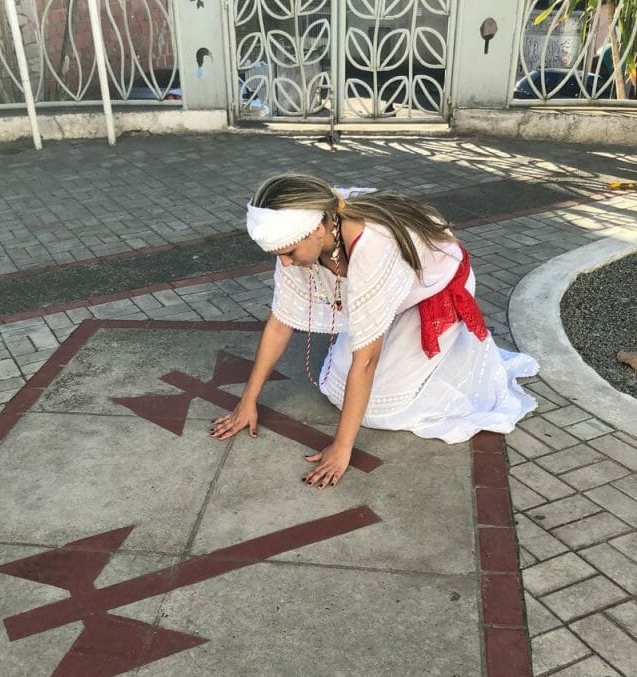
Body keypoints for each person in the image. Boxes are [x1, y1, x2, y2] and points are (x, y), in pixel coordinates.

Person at [209, 174, 538, 488]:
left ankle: (453, 355)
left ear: (319, 231)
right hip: (389, 291)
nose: (285, 264)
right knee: (337, 389)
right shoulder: (304, 232)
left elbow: (366, 360)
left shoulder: (372, 245)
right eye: (278, 255)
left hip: (431, 289)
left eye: (289, 253)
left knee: (382, 409)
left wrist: (341, 447)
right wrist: (247, 401)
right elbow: (280, 323)